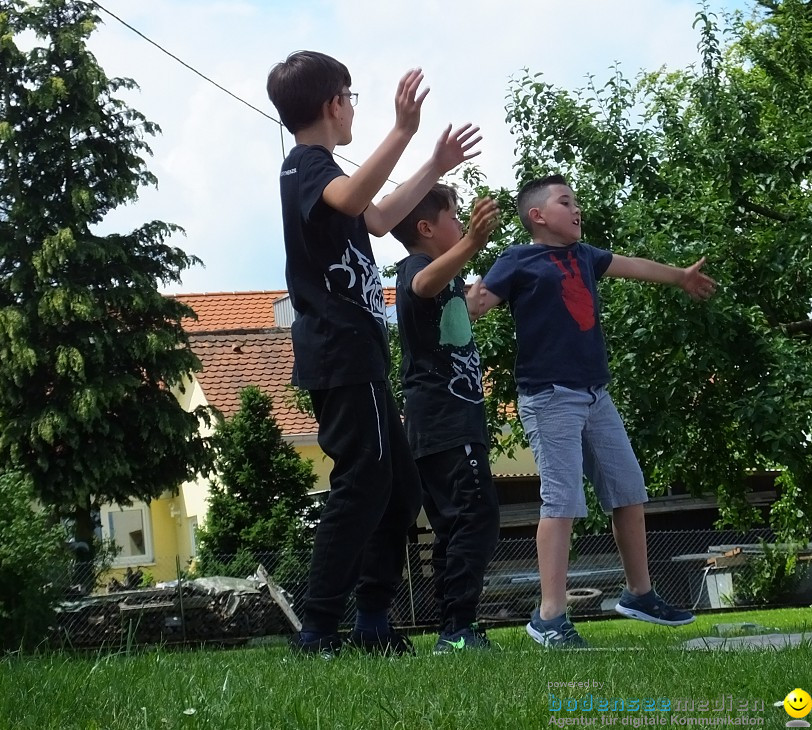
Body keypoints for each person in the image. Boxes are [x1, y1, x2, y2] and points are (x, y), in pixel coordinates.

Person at [266, 50, 482, 656]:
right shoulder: (306, 166)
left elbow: (380, 215)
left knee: (400, 487)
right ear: (336, 104)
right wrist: (404, 131)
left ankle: (371, 620)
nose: (354, 108)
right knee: (362, 483)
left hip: (358, 354)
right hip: (338, 351)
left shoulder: (331, 179)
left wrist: (433, 162)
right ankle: (319, 627)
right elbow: (355, 198)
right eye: (351, 97)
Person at [469, 174, 716, 649]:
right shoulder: (518, 260)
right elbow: (479, 303)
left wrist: (680, 276)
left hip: (595, 394)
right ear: (538, 216)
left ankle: (640, 594)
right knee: (561, 499)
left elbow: (634, 266)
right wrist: (466, 299)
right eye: (566, 202)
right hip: (548, 396)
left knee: (629, 489)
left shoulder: (585, 256)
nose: (577, 208)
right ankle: (549, 617)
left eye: (577, 201)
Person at [389, 184, 502, 654]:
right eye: (455, 217)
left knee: (456, 524)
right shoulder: (417, 270)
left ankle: (453, 630)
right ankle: (458, 629)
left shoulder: (446, 279)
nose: (460, 224)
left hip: (450, 424)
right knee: (476, 515)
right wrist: (472, 242)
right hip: (443, 424)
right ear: (426, 228)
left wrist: (481, 296)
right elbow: (423, 286)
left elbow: (455, 312)